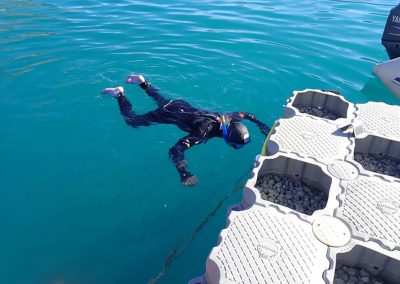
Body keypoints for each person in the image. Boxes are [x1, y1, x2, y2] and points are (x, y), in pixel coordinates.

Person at [102, 74, 270, 186]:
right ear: (227, 137)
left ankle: (142, 83)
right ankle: (119, 95)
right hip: (169, 114)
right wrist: (183, 172)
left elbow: (247, 115)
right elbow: (176, 149)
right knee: (132, 121)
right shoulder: (204, 132)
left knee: (162, 100)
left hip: (180, 105)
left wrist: (264, 128)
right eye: (235, 145)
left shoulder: (228, 116)